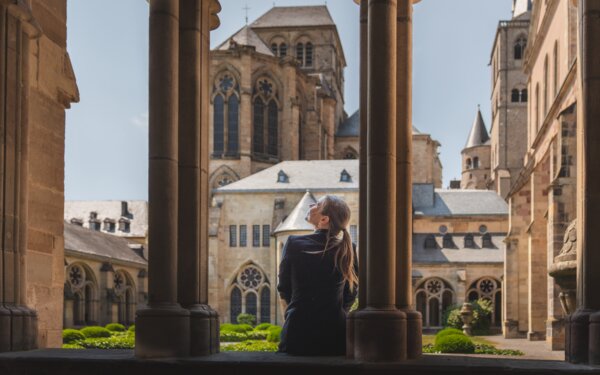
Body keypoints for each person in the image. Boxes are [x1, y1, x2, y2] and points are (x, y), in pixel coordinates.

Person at [277, 195, 358, 356]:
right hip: (335, 335)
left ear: (324, 219)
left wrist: (299, 310)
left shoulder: (293, 243)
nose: (312, 205)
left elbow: (284, 288)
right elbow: (351, 292)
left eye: (318, 205)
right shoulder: (348, 248)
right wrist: (334, 311)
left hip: (298, 333)